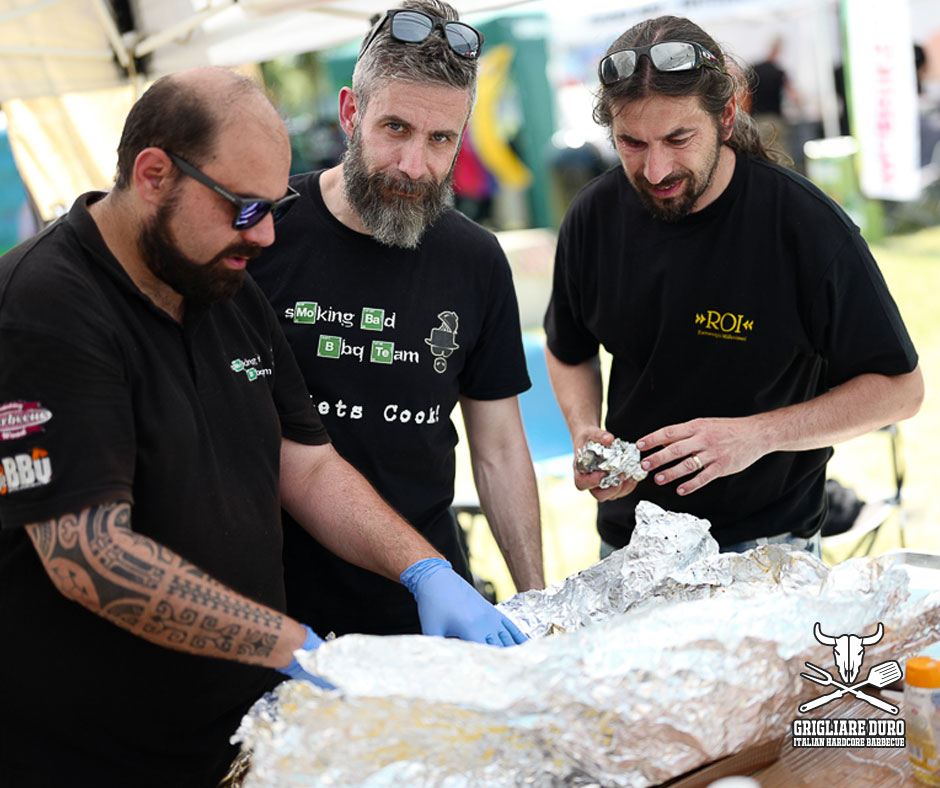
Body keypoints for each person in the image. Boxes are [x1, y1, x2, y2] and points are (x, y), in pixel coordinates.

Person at [0, 66, 526, 788]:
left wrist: (423, 567)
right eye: (245, 210)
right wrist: (296, 646)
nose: (269, 233)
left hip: (235, 738)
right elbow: (86, 553)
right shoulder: (45, 306)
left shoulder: (221, 283)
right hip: (93, 754)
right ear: (154, 174)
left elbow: (306, 465)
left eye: (274, 206)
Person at [543, 16, 923, 558]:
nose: (654, 170)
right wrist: (586, 432)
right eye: (631, 143)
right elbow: (568, 348)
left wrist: (756, 435)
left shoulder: (802, 225)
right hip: (629, 548)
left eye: (679, 138)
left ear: (726, 116)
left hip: (767, 548)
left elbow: (900, 390)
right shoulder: (593, 215)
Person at [250, 0, 545, 639]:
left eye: (440, 139)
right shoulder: (265, 233)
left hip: (422, 610)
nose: (415, 165)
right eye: (395, 129)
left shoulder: (476, 259)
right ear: (350, 112)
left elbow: (497, 449)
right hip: (274, 607)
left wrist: (536, 599)